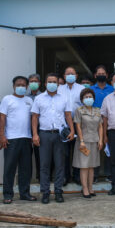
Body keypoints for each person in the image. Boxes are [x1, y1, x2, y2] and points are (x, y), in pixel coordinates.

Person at [31, 73, 75, 204]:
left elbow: (68, 115)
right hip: (44, 134)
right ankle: (45, 192)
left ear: (58, 84)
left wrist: (72, 130)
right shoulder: (39, 98)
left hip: (59, 135)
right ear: (45, 84)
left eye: (54, 82)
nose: (52, 84)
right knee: (44, 165)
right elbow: (34, 117)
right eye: (49, 82)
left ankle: (58, 191)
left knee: (60, 164)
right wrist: (35, 134)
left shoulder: (64, 98)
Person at [0, 76, 36, 204]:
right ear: (13, 86)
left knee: (26, 168)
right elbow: (2, 118)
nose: (21, 87)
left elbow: (33, 119)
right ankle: (8, 194)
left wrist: (33, 135)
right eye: (18, 85)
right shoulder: (7, 99)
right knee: (10, 168)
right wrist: (2, 136)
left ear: (27, 87)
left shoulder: (29, 100)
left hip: (26, 138)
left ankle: (25, 193)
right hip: (11, 139)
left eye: (23, 85)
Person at [73, 88, 104, 198]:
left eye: (90, 97)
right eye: (86, 97)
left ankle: (91, 188)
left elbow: (100, 126)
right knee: (84, 166)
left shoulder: (97, 110)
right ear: (82, 99)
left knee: (92, 166)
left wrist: (101, 140)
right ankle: (85, 188)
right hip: (84, 142)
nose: (88, 99)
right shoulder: (79, 110)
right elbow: (78, 126)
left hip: (94, 141)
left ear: (93, 99)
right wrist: (81, 141)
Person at [58, 66, 85, 186]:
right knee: (64, 152)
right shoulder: (59, 89)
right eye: (68, 74)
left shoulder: (82, 88)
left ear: (76, 76)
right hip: (64, 124)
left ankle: (77, 176)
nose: (70, 76)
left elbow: (85, 105)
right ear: (64, 76)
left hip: (78, 123)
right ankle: (65, 176)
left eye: (72, 74)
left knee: (78, 150)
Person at [27, 73, 43, 180]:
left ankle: (40, 176)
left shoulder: (43, 96)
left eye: (35, 81)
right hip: (27, 127)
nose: (33, 83)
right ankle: (27, 177)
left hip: (40, 127)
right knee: (27, 154)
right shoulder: (25, 97)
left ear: (39, 83)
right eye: (31, 81)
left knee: (40, 153)